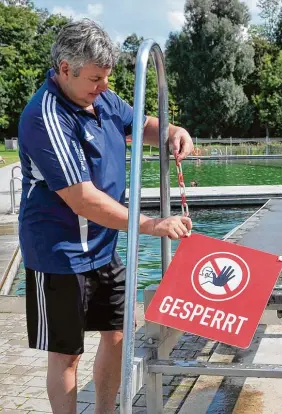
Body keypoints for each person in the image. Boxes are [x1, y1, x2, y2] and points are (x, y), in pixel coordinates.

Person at [18, 19, 193, 414]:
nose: (104, 87)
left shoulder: (102, 99)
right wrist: (150, 224)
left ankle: (105, 411)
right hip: (59, 253)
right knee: (66, 355)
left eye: (106, 77)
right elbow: (81, 198)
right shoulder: (45, 117)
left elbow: (143, 125)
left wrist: (172, 131)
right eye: (95, 78)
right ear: (65, 68)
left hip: (104, 245)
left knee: (119, 334)